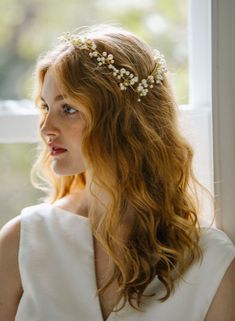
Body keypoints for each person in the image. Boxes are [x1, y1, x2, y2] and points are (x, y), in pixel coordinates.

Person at [0, 24, 234, 321]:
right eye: (46, 107)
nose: (46, 128)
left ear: (124, 121)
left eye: (68, 109)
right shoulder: (23, 241)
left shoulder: (210, 260)